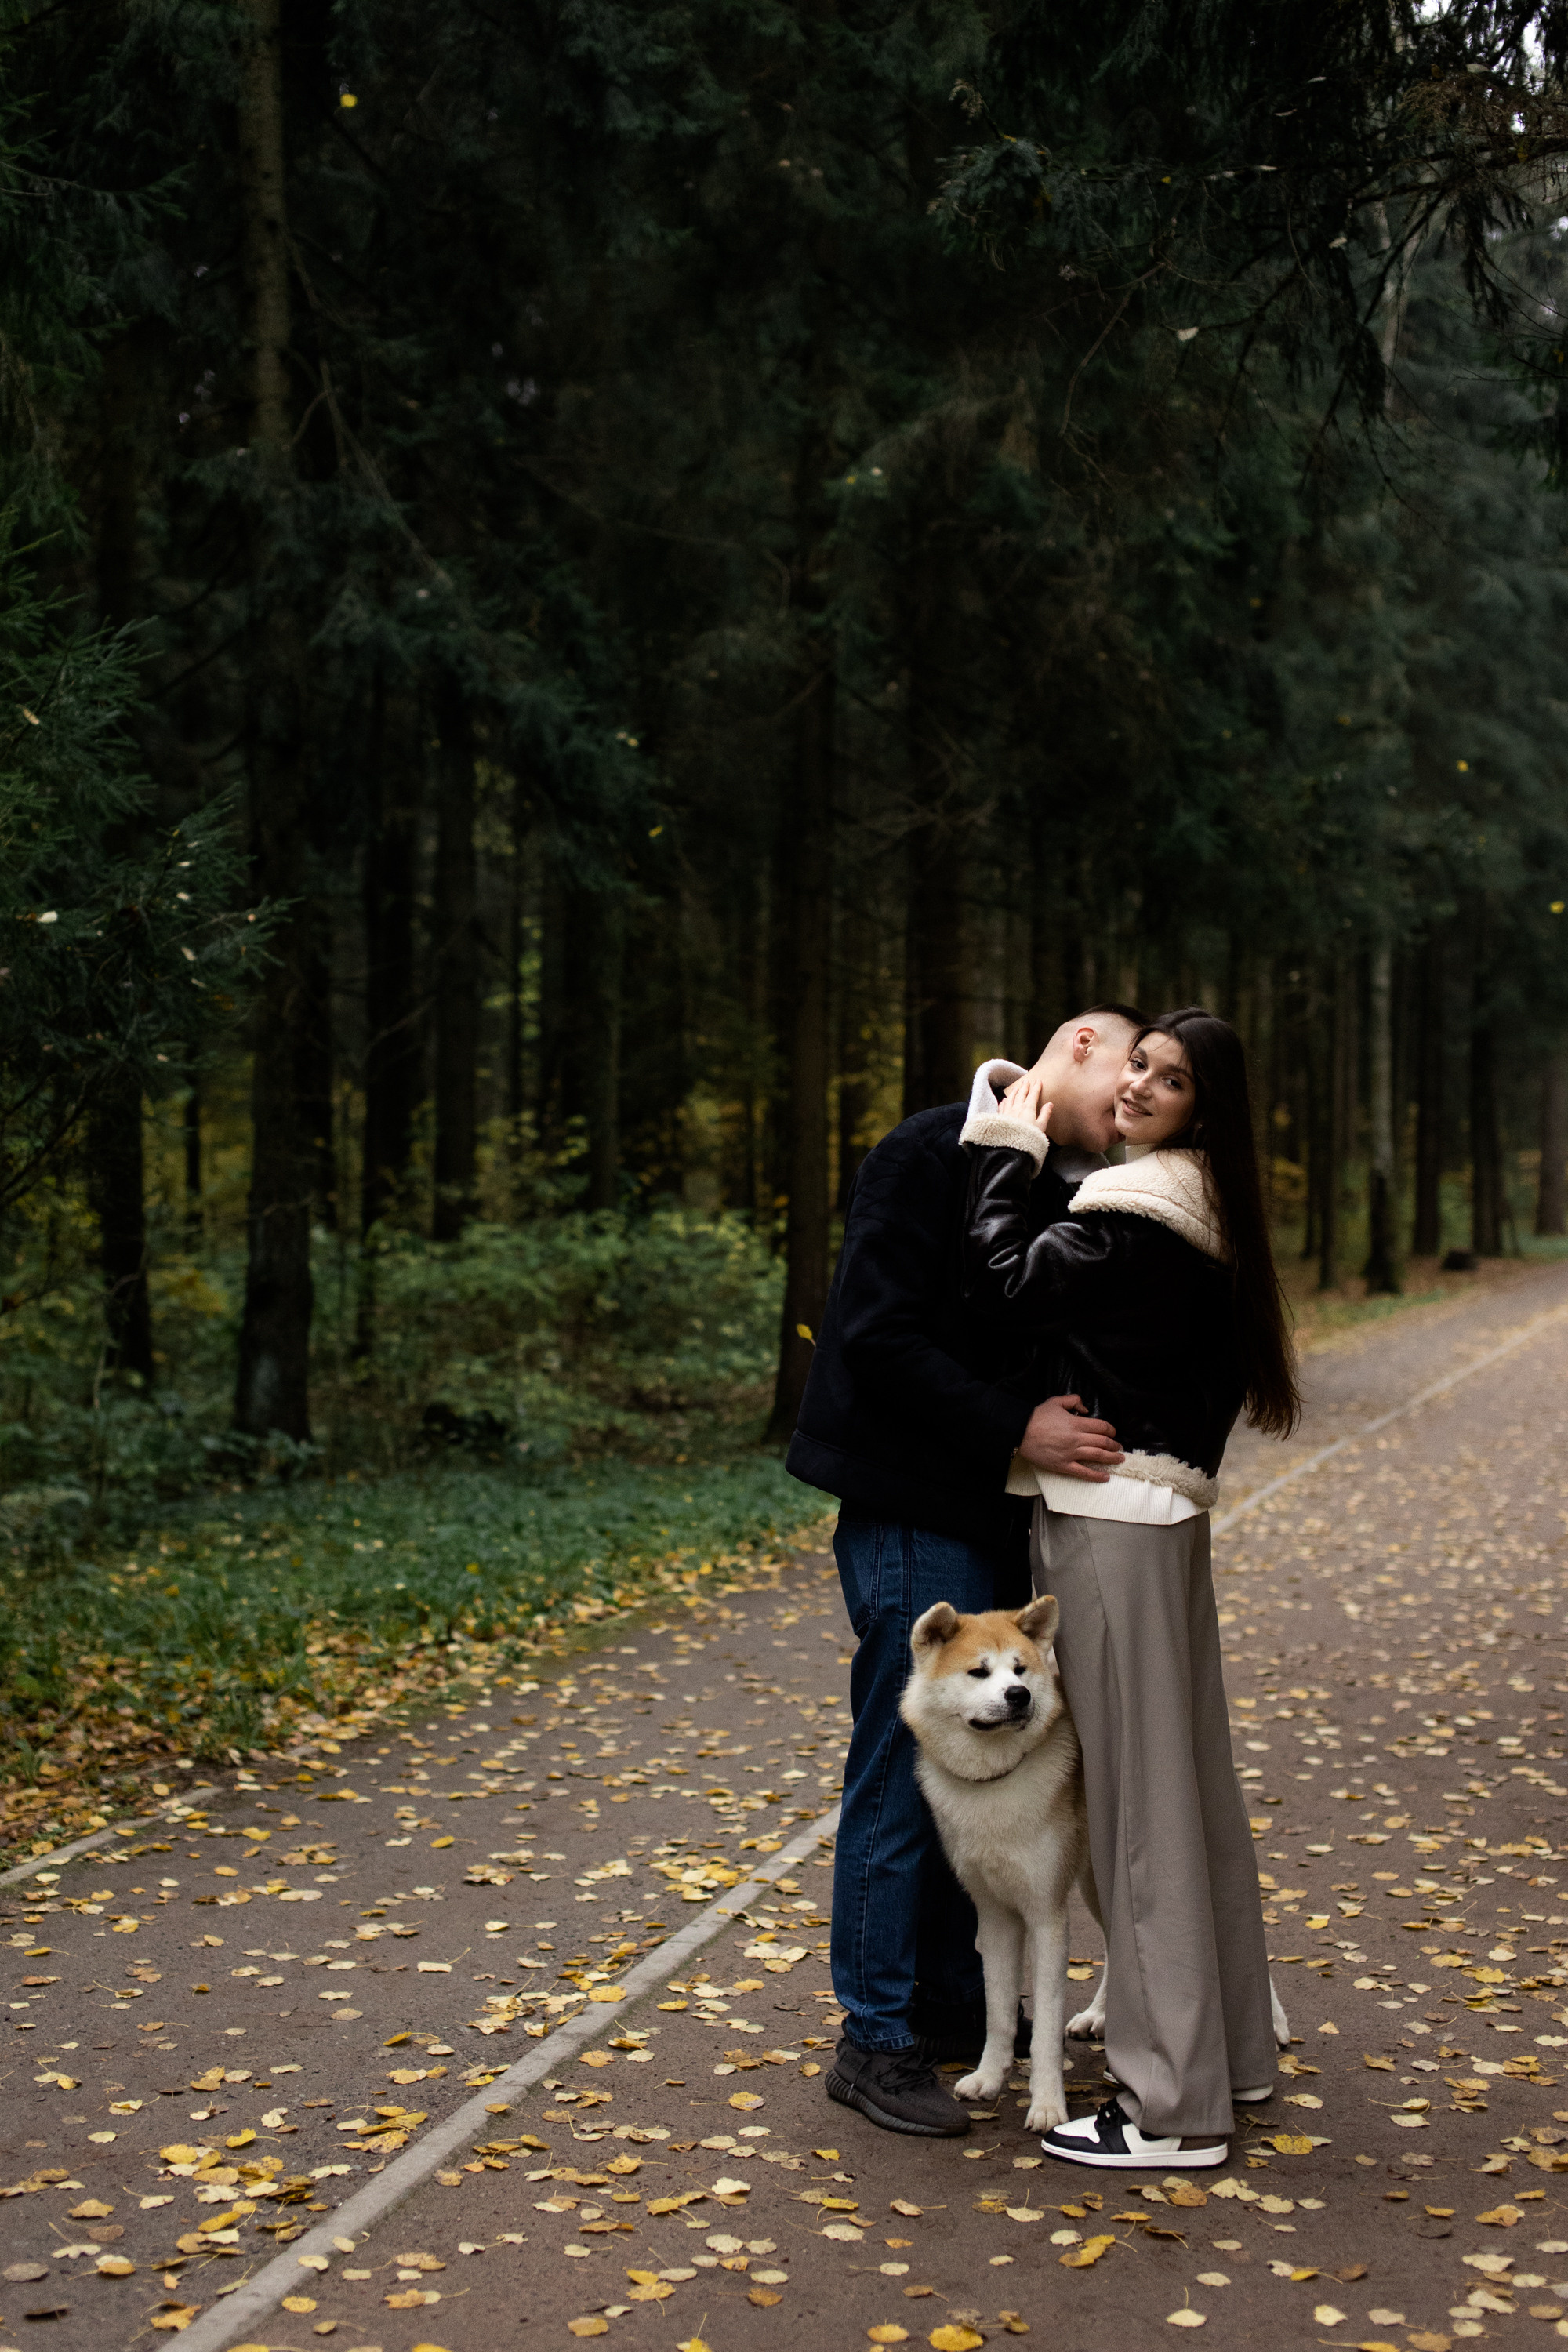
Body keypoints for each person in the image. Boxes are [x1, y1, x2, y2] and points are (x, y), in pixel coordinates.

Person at [786, 1004, 1145, 2137]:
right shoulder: (926, 1150)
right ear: (1079, 1042)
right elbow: (876, 1338)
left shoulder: (1070, 1187)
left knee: (987, 1768)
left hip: (999, 1518)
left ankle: (950, 2008)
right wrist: (1013, 1429)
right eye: (1126, 1077)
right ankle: (875, 2041)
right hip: (906, 1504)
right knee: (903, 1766)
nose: (1130, 1112)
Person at [960, 1006, 1300, 2169]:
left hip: (1110, 1526)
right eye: (1140, 1066)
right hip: (1161, 1520)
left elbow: (1008, 1287)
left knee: (1141, 1821)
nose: (1144, 1086)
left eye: (1170, 1078)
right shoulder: (1203, 1206)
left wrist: (1005, 1158)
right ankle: (1230, 2056)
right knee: (1188, 1798)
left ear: (1207, 1106)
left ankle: (1168, 2107)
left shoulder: (1138, 1211)